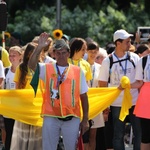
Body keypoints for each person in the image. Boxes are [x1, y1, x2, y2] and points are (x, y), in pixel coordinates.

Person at [28, 32, 89, 150]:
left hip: (72, 116)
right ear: (54, 54)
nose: (61, 55)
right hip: (51, 115)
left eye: (64, 52)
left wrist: (85, 119)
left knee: (71, 147)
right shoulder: (47, 68)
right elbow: (31, 65)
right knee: (48, 147)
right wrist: (39, 47)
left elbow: (84, 96)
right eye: (58, 53)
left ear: (68, 53)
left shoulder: (78, 71)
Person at [99, 29, 141, 150]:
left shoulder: (134, 58)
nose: (130, 44)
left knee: (139, 133)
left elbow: (140, 81)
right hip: (117, 103)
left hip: (134, 101)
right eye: (127, 42)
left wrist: (128, 86)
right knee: (118, 135)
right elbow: (102, 84)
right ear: (118, 43)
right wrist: (105, 105)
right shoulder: (108, 61)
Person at [10, 42, 42, 150]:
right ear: (28, 53)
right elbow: (17, 88)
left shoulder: (42, 67)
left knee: (36, 134)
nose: (35, 55)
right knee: (23, 134)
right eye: (33, 52)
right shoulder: (21, 68)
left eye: (37, 52)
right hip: (24, 106)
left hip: (36, 106)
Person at [68, 37, 92, 150]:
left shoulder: (86, 64)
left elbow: (88, 86)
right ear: (75, 49)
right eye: (83, 49)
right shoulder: (65, 62)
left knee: (84, 135)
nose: (85, 52)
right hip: (67, 104)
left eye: (85, 49)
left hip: (82, 103)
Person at [3, 46, 23, 150]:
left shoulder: (24, 72)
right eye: (10, 55)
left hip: (20, 110)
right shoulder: (5, 71)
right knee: (9, 133)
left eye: (14, 55)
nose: (11, 58)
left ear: (20, 56)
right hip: (8, 110)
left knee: (20, 135)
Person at [86, 41, 105, 150]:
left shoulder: (100, 67)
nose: (93, 54)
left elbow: (102, 86)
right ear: (86, 51)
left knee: (93, 135)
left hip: (96, 104)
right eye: (90, 51)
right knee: (84, 135)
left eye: (95, 52)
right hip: (84, 103)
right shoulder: (82, 65)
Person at [131, 53, 150, 150]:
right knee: (146, 135)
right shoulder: (143, 60)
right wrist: (126, 86)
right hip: (146, 100)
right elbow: (139, 82)